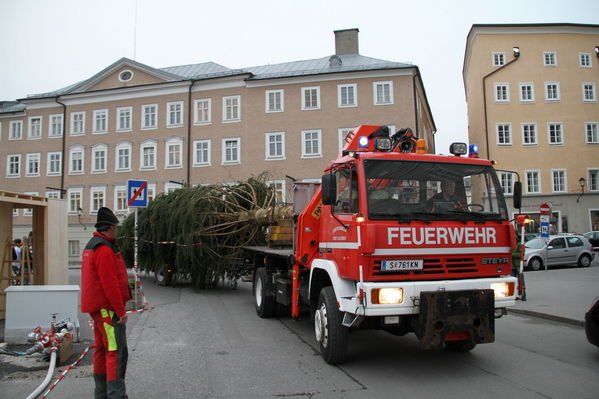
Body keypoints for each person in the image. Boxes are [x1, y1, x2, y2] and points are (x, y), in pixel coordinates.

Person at [81, 207, 131, 399]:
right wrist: (121, 311)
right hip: (108, 311)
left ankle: (101, 394)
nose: (116, 231)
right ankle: (116, 395)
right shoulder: (103, 249)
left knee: (102, 350)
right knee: (116, 353)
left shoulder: (92, 245)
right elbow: (109, 284)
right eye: (115, 227)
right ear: (110, 227)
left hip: (98, 310)